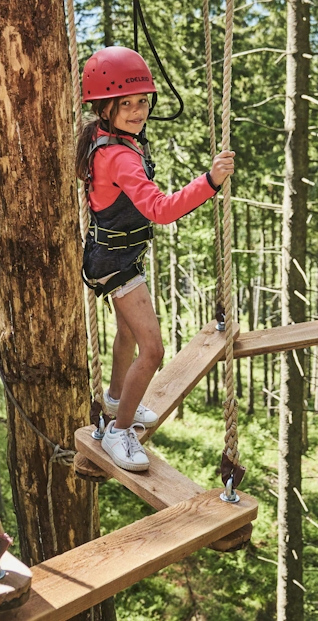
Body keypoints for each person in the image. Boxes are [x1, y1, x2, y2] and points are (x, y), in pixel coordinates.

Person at [76, 46, 235, 472]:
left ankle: (116, 400)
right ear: (104, 107)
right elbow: (161, 210)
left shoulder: (103, 138)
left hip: (110, 254)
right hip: (116, 261)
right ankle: (119, 431)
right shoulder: (122, 157)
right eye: (124, 104)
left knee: (127, 336)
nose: (136, 111)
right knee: (153, 349)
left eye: (141, 101)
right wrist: (210, 181)